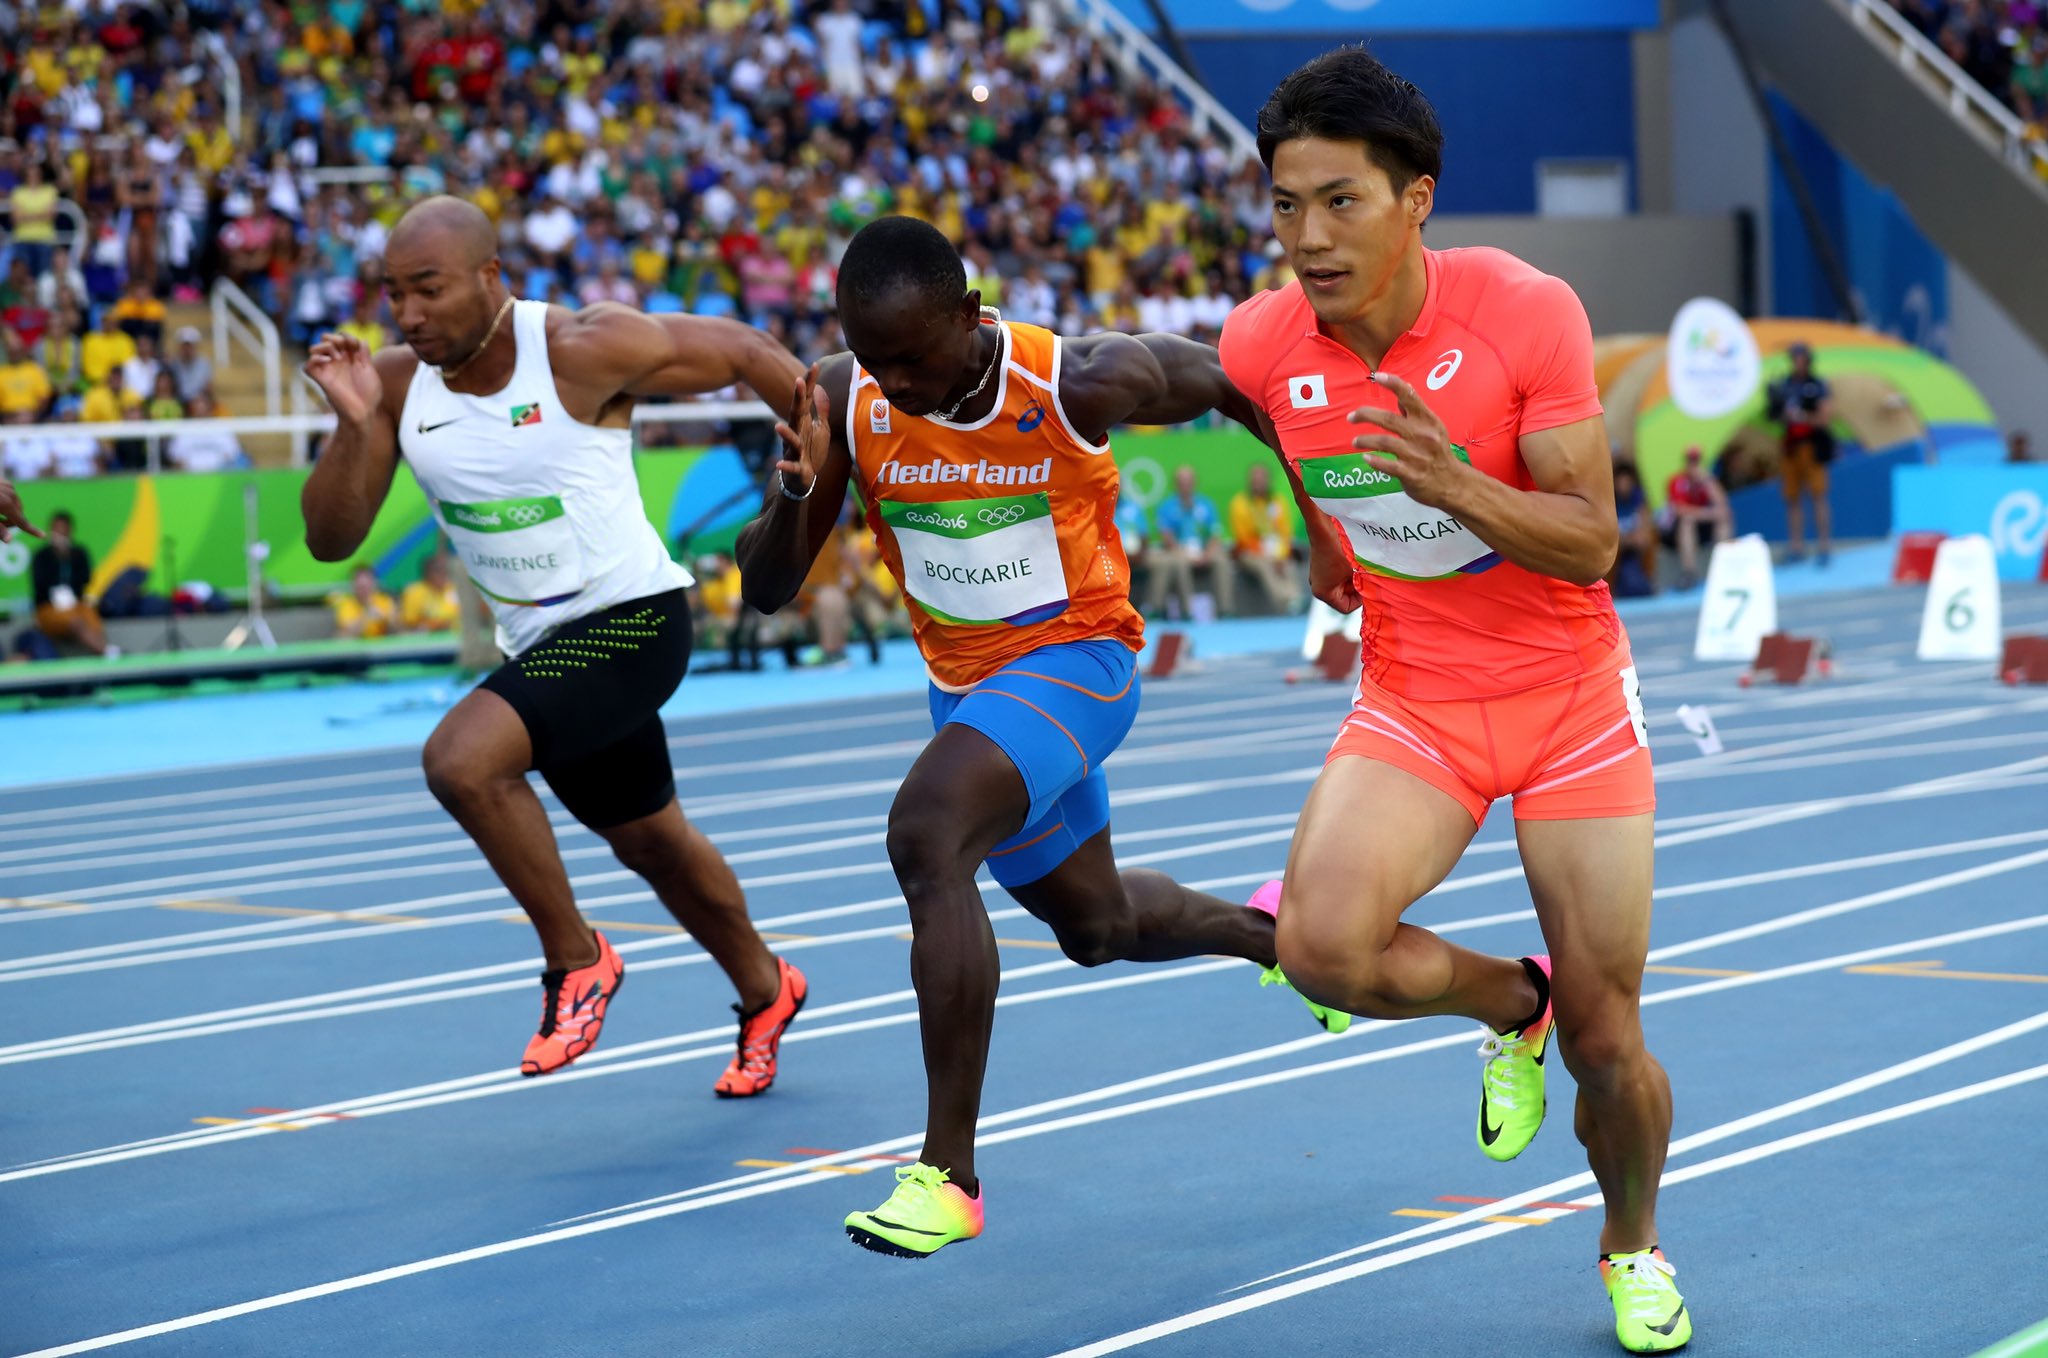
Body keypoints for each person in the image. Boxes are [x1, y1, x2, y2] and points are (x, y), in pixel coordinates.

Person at [738, 215, 1331, 1261]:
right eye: (876, 362)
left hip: (1078, 663)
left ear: (970, 314)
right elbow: (767, 590)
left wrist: (1318, 520)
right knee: (1093, 928)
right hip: (965, 694)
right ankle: (1276, 937)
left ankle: (947, 1174)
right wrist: (797, 488)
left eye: (915, 358)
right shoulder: (845, 396)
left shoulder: (1081, 379)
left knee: (926, 836)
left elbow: (1238, 384)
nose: (898, 386)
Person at [1219, 50, 1688, 1352]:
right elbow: (1277, 420)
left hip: (1570, 702)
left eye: (1340, 202)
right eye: (1283, 204)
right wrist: (1326, 535)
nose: (1307, 238)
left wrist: (1456, 485)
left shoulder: (1524, 311)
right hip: (1419, 696)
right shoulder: (1262, 338)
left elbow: (1594, 542)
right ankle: (1506, 1002)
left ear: (1417, 197)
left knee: (1610, 1042)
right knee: (1317, 947)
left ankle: (1632, 1242)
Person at [302, 197, 811, 1094]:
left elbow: (744, 351)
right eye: (394, 296)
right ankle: (767, 988)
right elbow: (330, 540)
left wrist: (823, 475)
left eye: (429, 289)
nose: (409, 315)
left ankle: (577, 961)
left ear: (491, 277)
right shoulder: (391, 385)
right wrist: (352, 424)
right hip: (543, 646)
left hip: (634, 622)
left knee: (461, 760)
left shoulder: (578, 347)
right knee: (653, 844)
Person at [1765, 341, 1833, 565]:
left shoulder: (1817, 385)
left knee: (1818, 495)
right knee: (1792, 498)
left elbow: (1824, 418)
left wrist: (1802, 417)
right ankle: (1797, 546)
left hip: (1811, 447)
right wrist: (1780, 411)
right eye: (1794, 359)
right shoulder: (1785, 385)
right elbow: (1775, 416)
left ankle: (1824, 545)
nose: (1797, 363)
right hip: (1791, 447)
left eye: (1801, 358)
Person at [1150, 464, 1234, 619]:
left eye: (1188, 482)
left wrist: (1207, 555)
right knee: (1179, 562)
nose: (1185, 486)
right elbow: (1167, 536)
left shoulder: (1206, 504)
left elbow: (1215, 534)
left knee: (1222, 561)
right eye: (1182, 482)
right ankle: (1187, 611)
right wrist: (1184, 553)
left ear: (1194, 483)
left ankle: (1225, 609)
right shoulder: (1166, 507)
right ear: (1176, 484)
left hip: (1203, 551)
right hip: (1180, 551)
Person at [31, 510, 112, 656]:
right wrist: (57, 559)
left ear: (70, 531)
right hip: (49, 606)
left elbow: (86, 579)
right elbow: (40, 584)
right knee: (75, 621)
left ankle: (104, 648)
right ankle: (107, 652)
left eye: (63, 529)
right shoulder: (41, 556)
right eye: (56, 529)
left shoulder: (79, 553)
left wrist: (67, 557)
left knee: (91, 616)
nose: (60, 533)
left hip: (76, 604)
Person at [1227, 460, 1303, 613]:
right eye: (1255, 480)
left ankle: (1297, 600)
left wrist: (1281, 555)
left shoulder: (1277, 501)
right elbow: (1243, 538)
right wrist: (1268, 555)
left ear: (1267, 481)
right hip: (1249, 553)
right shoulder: (1240, 503)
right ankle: (1284, 602)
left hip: (1275, 551)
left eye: (1261, 480)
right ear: (1250, 481)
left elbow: (1285, 532)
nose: (1258, 484)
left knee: (1289, 565)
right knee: (1264, 565)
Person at [1658, 446, 1733, 588]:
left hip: (1700, 524)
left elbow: (1723, 506)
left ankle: (1724, 566)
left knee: (1723, 521)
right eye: (1690, 461)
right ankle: (1689, 572)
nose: (1693, 465)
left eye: (1696, 460)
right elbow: (1680, 511)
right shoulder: (1677, 481)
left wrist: (1708, 482)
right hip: (1675, 531)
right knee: (1687, 521)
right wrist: (1709, 514)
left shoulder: (1707, 480)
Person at [1609, 461, 1657, 598]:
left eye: (1627, 481)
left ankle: (1650, 580)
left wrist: (1636, 538)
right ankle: (1612, 589)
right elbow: (1608, 536)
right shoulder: (1610, 501)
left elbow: (1646, 532)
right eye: (1620, 481)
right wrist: (1626, 540)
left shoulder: (1639, 498)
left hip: (1635, 551)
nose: (1624, 485)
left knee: (1650, 540)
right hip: (1617, 550)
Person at [329, 562, 398, 638]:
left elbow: (399, 630)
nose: (364, 590)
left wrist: (385, 619)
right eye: (360, 587)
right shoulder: (346, 604)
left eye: (367, 585)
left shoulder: (385, 601)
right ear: (353, 585)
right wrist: (366, 615)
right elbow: (345, 634)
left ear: (374, 583)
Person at [400, 552, 463, 633]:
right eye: (438, 571)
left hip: (456, 635)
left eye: (445, 571)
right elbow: (409, 623)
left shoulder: (452, 588)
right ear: (427, 573)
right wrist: (435, 624)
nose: (444, 575)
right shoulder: (415, 592)